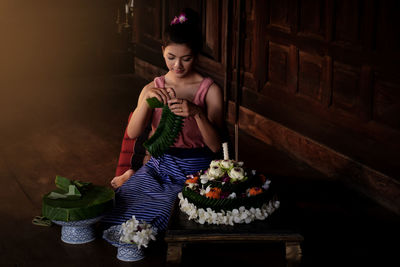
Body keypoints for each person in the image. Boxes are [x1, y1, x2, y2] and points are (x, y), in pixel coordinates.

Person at [102, 8, 224, 232]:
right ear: (162, 51)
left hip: (195, 169)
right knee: (120, 203)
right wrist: (147, 102)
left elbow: (216, 146)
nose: (177, 66)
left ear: (196, 55)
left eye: (186, 59)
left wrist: (197, 113)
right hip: (159, 164)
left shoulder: (210, 90)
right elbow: (132, 133)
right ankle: (134, 182)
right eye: (171, 58)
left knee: (170, 209)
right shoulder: (153, 87)